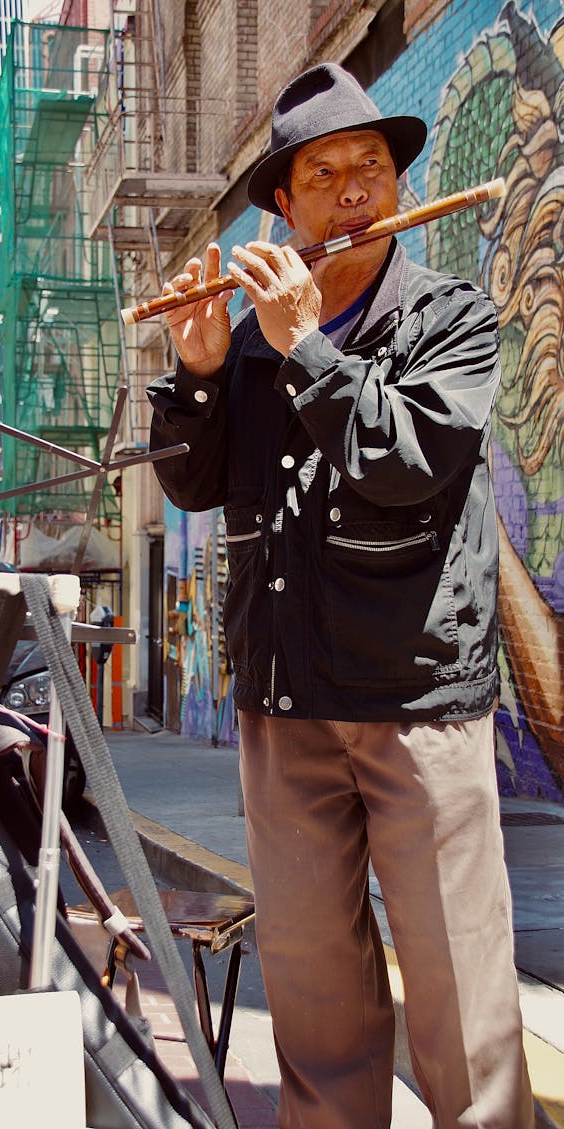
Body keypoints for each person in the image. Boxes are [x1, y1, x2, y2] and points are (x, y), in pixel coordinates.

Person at [147, 63, 534, 1129]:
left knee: (461, 992)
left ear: (401, 188)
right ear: (285, 201)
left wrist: (306, 346)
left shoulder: (451, 319)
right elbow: (192, 481)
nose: (356, 188)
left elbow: (404, 459)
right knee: (315, 995)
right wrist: (197, 373)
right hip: (287, 703)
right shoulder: (254, 333)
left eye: (374, 167)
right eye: (326, 174)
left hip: (420, 705)